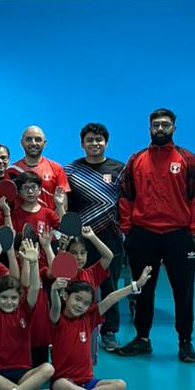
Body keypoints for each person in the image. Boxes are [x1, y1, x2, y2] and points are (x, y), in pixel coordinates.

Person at [117, 109, 195, 363]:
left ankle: (185, 341)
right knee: (142, 289)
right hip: (143, 234)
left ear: (173, 129)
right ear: (149, 128)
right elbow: (126, 197)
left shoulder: (187, 159)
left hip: (178, 235)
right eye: (155, 124)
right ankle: (142, 338)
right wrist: (128, 229)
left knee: (183, 291)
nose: (160, 129)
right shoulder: (136, 159)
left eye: (165, 125)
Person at [49, 266, 153, 390]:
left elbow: (111, 298)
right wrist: (54, 291)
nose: (80, 305)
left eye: (86, 303)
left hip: (88, 382)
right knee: (59, 384)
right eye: (77, 299)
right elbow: (55, 307)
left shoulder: (88, 319)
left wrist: (135, 285)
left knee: (120, 385)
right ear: (66, 296)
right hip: (66, 382)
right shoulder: (57, 320)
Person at [64, 123, 126, 351]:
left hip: (110, 237)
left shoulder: (120, 169)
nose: (94, 143)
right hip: (80, 239)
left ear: (106, 143)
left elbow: (127, 202)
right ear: (82, 143)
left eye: (99, 139)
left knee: (109, 284)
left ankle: (109, 331)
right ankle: (74, 326)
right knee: (76, 282)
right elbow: (66, 205)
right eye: (89, 139)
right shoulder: (71, 170)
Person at [0, 238, 54, 390]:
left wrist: (33, 263)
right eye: (4, 297)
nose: (9, 302)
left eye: (13, 298)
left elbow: (34, 287)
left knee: (48, 368)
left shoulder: (25, 311)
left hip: (24, 374)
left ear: (20, 298)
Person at [12, 126, 69, 210]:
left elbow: (63, 204)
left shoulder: (57, 169)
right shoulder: (12, 170)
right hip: (20, 219)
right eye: (29, 139)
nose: (33, 143)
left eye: (38, 139)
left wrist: (51, 218)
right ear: (22, 142)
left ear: (44, 143)